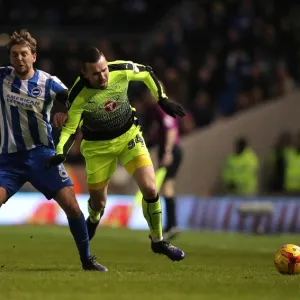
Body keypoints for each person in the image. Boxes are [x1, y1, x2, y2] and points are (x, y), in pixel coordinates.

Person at [47, 46, 186, 263]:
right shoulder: (78, 94)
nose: (103, 76)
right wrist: (59, 152)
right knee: (99, 203)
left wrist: (162, 98)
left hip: (128, 138)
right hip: (97, 148)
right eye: (96, 73)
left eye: (104, 70)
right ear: (85, 74)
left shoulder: (120, 69)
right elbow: (70, 129)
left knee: (150, 187)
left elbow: (147, 72)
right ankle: (93, 219)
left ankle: (158, 241)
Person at [0, 30, 106, 271]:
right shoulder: (3, 78)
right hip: (9, 160)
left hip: (42, 156)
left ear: (34, 56)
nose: (19, 59)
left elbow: (75, 100)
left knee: (72, 206)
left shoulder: (48, 82)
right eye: (14, 54)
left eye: (24, 54)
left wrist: (68, 113)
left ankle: (87, 259)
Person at [133, 89, 183, 240]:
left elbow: (171, 130)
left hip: (171, 149)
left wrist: (167, 152)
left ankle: (170, 225)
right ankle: (171, 226)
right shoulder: (154, 110)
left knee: (162, 187)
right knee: (167, 186)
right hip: (169, 149)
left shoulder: (160, 108)